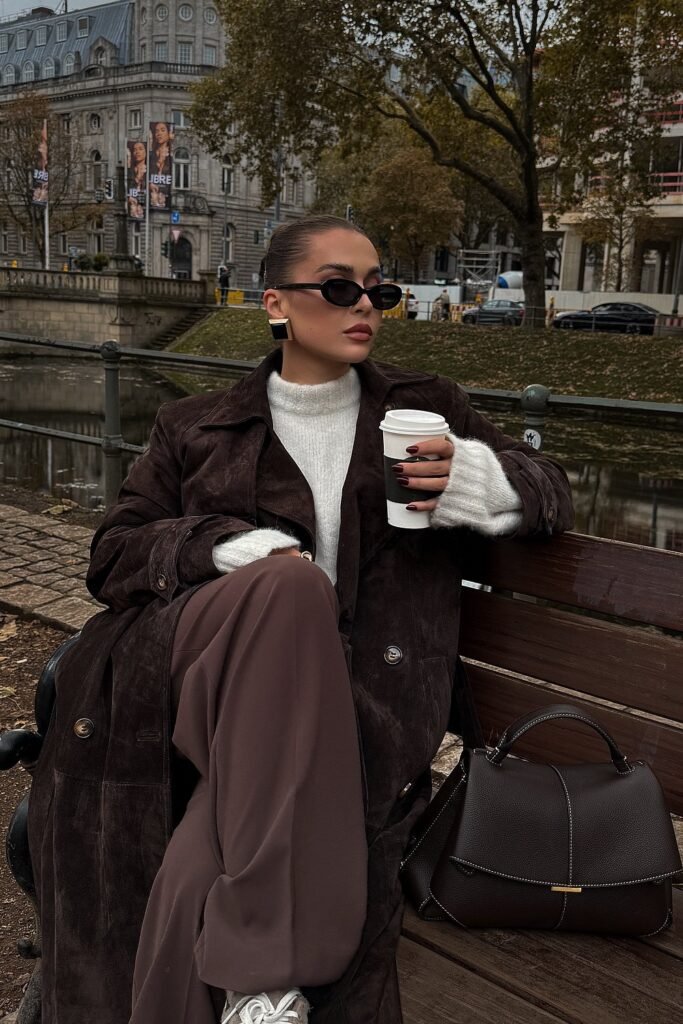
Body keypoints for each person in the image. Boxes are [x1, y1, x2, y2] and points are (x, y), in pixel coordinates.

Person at [28, 215, 573, 1024]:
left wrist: (478, 481)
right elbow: (112, 555)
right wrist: (221, 548)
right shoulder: (194, 425)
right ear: (276, 304)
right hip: (203, 700)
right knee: (287, 588)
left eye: (379, 290)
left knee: (198, 860)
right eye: (339, 288)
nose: (366, 306)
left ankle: (252, 992)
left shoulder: (428, 407)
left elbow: (550, 486)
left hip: (361, 716)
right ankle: (264, 974)